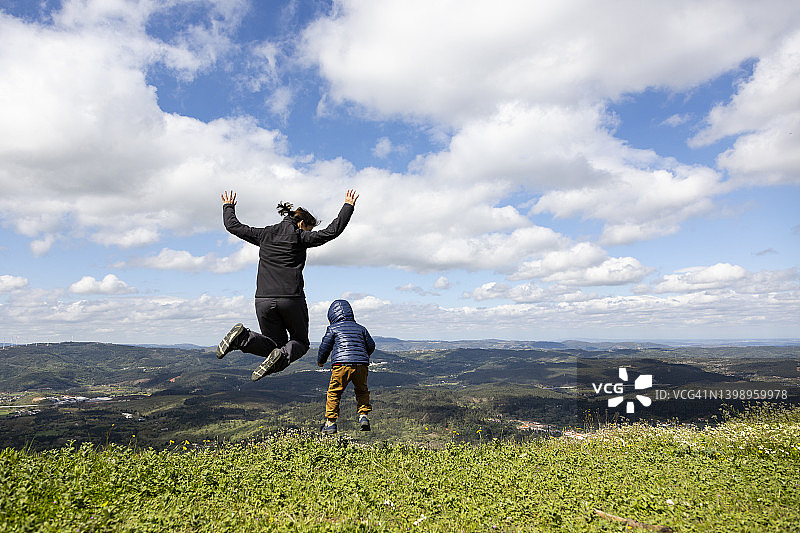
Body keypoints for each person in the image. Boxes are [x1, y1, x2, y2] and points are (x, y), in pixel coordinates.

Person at [216, 189, 359, 382]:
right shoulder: (300, 237)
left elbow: (233, 226)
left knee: (276, 344)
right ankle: (278, 356)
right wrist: (348, 206)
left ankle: (243, 339)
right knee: (300, 342)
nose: (306, 232)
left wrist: (228, 207)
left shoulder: (264, 234)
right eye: (307, 229)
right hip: (291, 298)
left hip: (263, 300)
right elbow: (332, 231)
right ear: (301, 223)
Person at [317, 299, 376, 434]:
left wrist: (321, 361)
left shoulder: (333, 328)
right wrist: (364, 356)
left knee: (334, 392)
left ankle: (330, 423)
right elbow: (371, 345)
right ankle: (363, 416)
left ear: (332, 316)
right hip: (361, 365)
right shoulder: (361, 328)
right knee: (362, 390)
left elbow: (324, 348)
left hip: (341, 365)